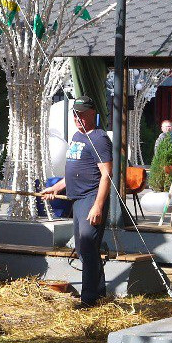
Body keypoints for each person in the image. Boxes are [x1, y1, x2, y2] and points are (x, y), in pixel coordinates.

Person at [42, 96, 114, 308]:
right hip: (77, 199)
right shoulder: (76, 136)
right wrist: (56, 187)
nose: (78, 118)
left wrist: (98, 205)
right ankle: (98, 293)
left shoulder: (100, 139)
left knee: (87, 246)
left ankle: (90, 299)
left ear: (93, 113)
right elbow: (76, 170)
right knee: (83, 249)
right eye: (75, 114)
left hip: (90, 199)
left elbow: (106, 174)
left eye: (82, 114)